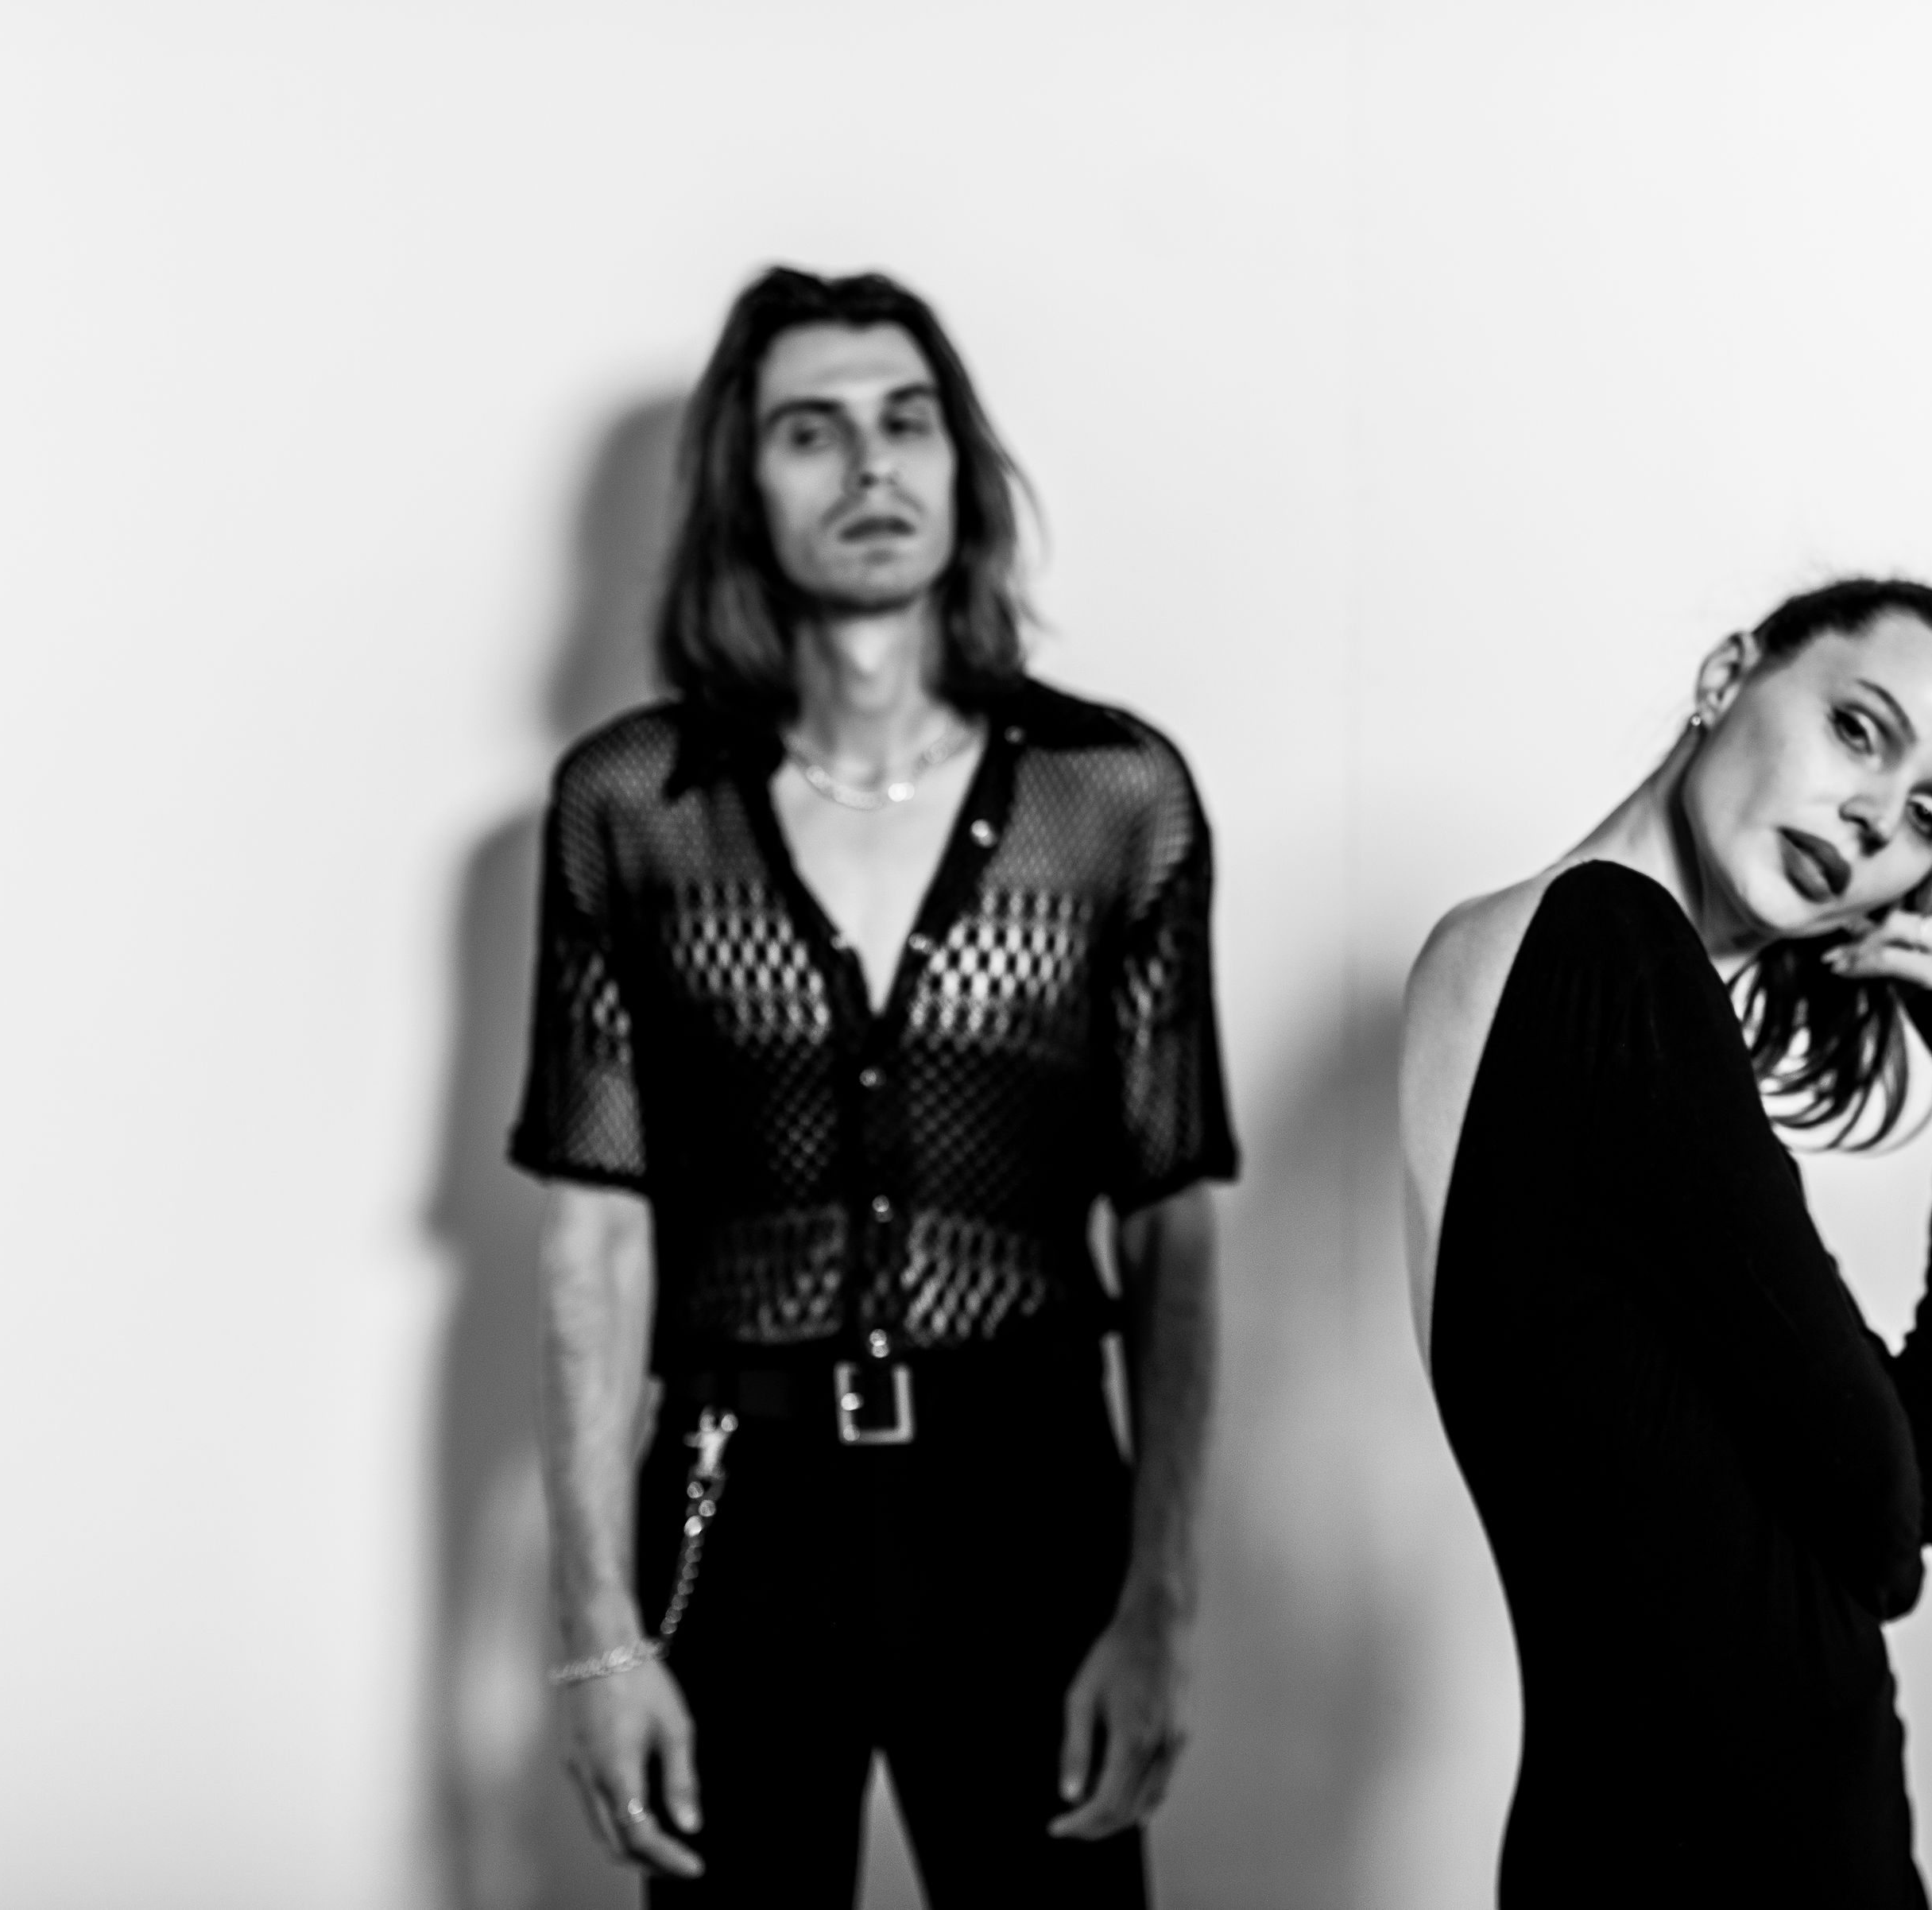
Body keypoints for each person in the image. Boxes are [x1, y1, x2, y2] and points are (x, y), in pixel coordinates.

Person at [509, 266, 1237, 1906]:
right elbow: (594, 1241)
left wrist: (1162, 1602)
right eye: (811, 432)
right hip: (736, 1508)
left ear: (960, 465)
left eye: (908, 422)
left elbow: (1173, 1227)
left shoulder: (1114, 797)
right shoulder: (633, 808)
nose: (869, 466)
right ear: (741, 485)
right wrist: (595, 1632)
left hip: (1031, 1505)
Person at [1400, 578, 1932, 1903]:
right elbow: (1888, 1521)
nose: (1877, 820)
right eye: (1858, 729)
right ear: (1727, 676)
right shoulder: (1608, 951)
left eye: (1931, 817)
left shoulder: (1539, 972)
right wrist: (1876, 1510)